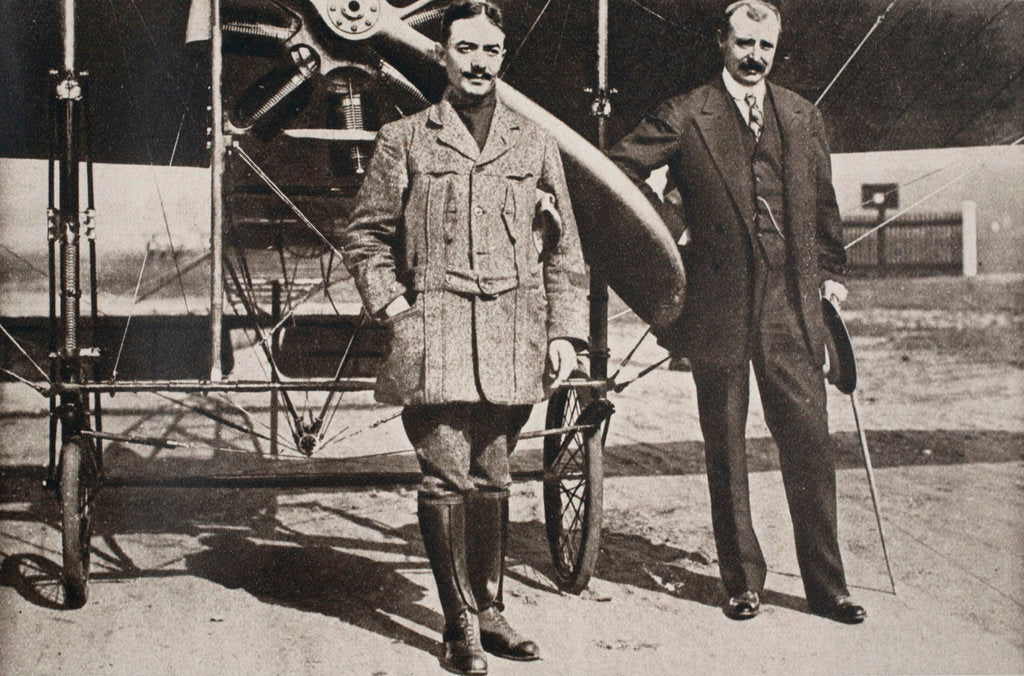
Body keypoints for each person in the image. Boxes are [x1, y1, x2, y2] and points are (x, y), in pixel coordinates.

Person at [340, 1, 588, 672]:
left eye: (490, 50)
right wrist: (396, 307)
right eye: (465, 49)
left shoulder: (534, 142)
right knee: (445, 477)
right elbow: (365, 237)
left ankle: (492, 610)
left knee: (494, 476)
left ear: (503, 56)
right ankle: (459, 628)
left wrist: (564, 333)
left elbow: (563, 249)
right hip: (437, 330)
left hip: (513, 332)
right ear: (442, 54)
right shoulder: (406, 138)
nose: (478, 63)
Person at [608, 0, 865, 624]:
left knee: (810, 444)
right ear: (721, 43)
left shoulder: (803, 116)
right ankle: (742, 582)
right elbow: (619, 169)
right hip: (717, 305)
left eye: (765, 46)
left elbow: (824, 207)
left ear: (776, 48)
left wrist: (832, 276)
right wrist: (671, 228)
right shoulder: (685, 112)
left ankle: (827, 588)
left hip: (791, 309)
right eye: (744, 43)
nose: (755, 56)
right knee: (725, 446)